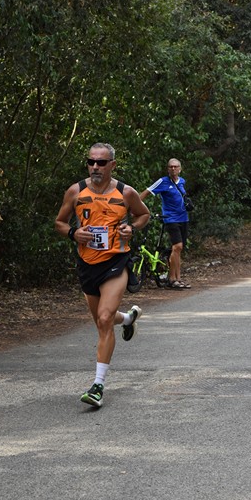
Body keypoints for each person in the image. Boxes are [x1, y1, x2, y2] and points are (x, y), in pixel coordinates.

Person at [55, 143, 150, 408]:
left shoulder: (126, 192)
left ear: (112, 165)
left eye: (101, 162)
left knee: (105, 318)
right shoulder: (76, 191)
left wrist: (131, 227)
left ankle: (98, 386)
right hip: (87, 264)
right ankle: (129, 318)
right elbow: (60, 223)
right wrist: (74, 233)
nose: (95, 167)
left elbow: (144, 215)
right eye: (91, 162)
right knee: (101, 321)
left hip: (116, 261)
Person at [140, 158, 191, 289]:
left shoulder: (182, 181)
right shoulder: (163, 182)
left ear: (180, 168)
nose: (173, 169)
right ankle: (172, 279)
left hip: (183, 218)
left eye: (175, 166)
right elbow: (146, 192)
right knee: (177, 246)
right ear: (168, 169)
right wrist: (136, 208)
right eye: (170, 167)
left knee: (178, 249)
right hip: (170, 218)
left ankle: (177, 279)